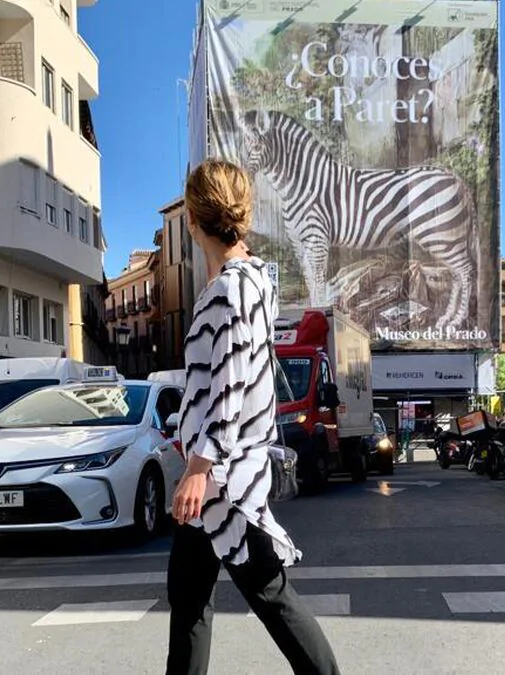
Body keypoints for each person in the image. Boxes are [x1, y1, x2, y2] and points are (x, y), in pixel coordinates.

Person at [167, 159, 340, 675]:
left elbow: (229, 383)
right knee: (192, 596)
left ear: (194, 220)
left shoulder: (229, 291)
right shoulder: (249, 281)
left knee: (267, 591)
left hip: (225, 479)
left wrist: (200, 466)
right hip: (227, 471)